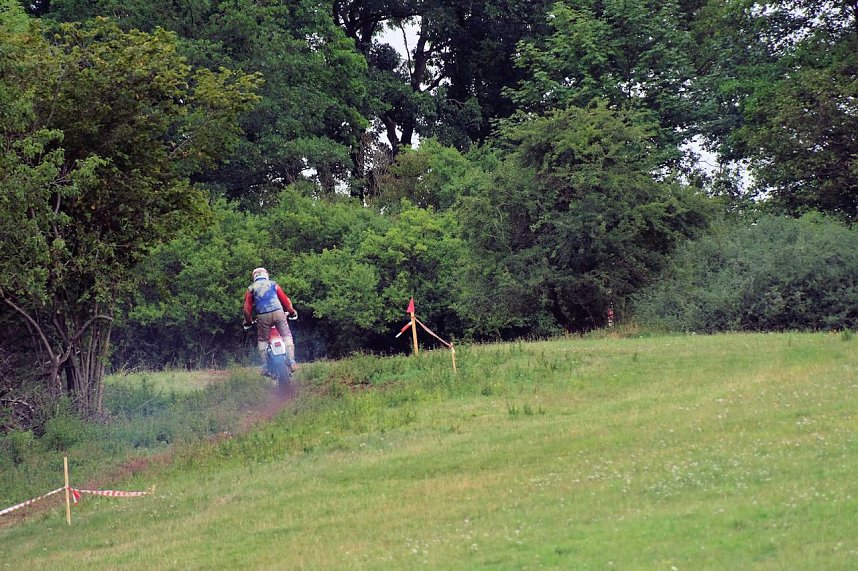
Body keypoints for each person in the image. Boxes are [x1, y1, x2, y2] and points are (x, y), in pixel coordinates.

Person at [243, 267, 298, 375]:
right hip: (278, 312)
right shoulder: (273, 284)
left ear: (254, 277)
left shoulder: (251, 288)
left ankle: (265, 366)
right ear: (266, 274)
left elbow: (247, 308)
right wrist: (291, 311)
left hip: (263, 316)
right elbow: (285, 300)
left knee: (263, 340)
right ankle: (291, 361)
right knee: (286, 335)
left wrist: (248, 321)